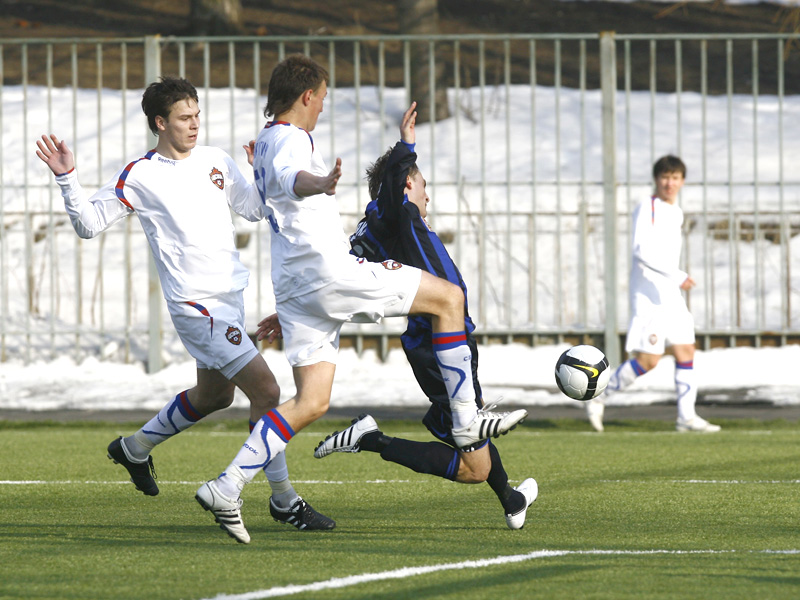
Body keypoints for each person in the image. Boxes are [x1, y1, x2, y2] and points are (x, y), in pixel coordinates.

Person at [195, 54, 527, 543]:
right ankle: (465, 422)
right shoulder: (289, 138)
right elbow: (291, 179)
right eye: (323, 98)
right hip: (327, 271)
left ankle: (227, 485)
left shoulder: (264, 142)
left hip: (295, 285)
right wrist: (320, 182)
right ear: (307, 95)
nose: (322, 108)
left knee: (311, 402)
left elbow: (264, 202)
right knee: (448, 298)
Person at [35, 76, 334, 541]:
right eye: (183, 118)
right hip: (197, 309)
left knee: (214, 396)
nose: (194, 125)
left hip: (228, 301)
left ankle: (134, 448)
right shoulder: (141, 175)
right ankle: (283, 500)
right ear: (160, 123)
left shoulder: (216, 159)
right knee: (268, 392)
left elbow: (254, 210)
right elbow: (88, 225)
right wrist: (67, 177)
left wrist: (256, 174)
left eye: (197, 115)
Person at [312, 102, 537, 529]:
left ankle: (511, 499)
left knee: (472, 447)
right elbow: (391, 193)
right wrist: (406, 147)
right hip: (438, 340)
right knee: (472, 455)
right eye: (422, 186)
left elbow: (349, 266)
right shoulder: (395, 212)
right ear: (406, 185)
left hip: (444, 337)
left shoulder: (383, 225)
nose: (426, 195)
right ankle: (371, 439)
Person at [586, 155, 720, 434]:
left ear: (682, 181)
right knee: (648, 361)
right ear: (656, 180)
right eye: (665, 177)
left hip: (670, 294)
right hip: (649, 295)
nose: (670, 183)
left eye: (675, 178)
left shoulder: (676, 211)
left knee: (686, 350)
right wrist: (677, 275)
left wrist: (674, 280)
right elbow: (641, 251)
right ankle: (599, 395)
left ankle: (686, 417)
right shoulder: (648, 207)